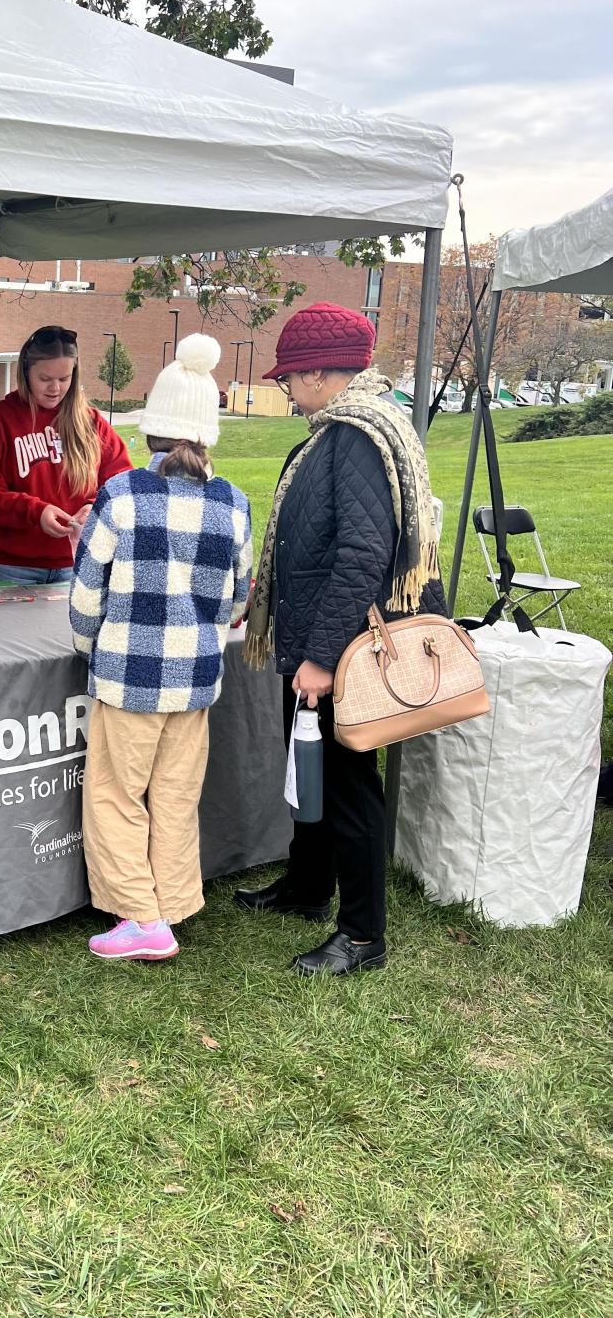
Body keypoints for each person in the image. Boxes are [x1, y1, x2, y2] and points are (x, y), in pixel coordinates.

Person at [238, 301, 446, 976]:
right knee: (312, 770)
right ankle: (307, 888)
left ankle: (361, 936)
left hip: (349, 650)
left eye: (288, 379)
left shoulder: (356, 434)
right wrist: (265, 593)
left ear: (321, 373)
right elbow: (316, 539)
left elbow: (361, 555)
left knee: (351, 787)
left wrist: (323, 659)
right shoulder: (339, 430)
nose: (286, 389)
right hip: (318, 635)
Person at [70, 334, 252, 961]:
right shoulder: (234, 504)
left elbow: (87, 588)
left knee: (117, 795)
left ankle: (141, 917)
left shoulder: (121, 494)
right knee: (177, 795)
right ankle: (173, 902)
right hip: (196, 677)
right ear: (207, 434)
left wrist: (86, 643)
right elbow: (237, 601)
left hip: (126, 674)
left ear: (151, 428)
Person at [0, 325, 132, 584]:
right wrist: (35, 512)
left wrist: (95, 508)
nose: (55, 388)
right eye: (45, 379)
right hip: (11, 567)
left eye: (64, 379)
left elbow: (122, 484)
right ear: (26, 372)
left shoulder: (91, 422)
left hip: (76, 563)